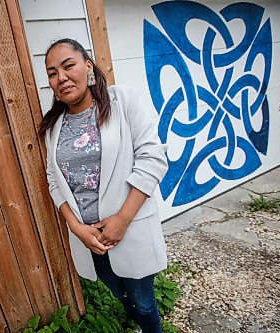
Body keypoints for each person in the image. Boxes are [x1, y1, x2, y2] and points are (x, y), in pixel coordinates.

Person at [39, 38, 168, 333]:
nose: (61, 77)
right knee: (118, 291)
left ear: (88, 66)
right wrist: (75, 227)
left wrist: (122, 219)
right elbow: (52, 179)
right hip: (89, 238)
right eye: (52, 73)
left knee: (143, 301)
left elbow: (152, 159)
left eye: (68, 66)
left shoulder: (123, 101)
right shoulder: (54, 126)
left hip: (129, 228)